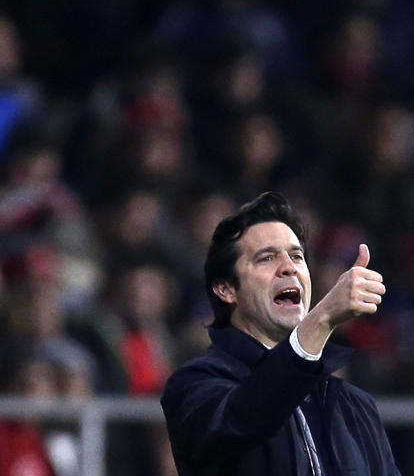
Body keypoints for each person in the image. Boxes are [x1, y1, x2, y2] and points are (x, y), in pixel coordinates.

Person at [160, 191, 400, 475]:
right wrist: (321, 319)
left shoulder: (354, 406)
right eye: (266, 258)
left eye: (297, 256)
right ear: (226, 289)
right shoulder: (196, 387)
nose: (289, 268)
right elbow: (247, 418)